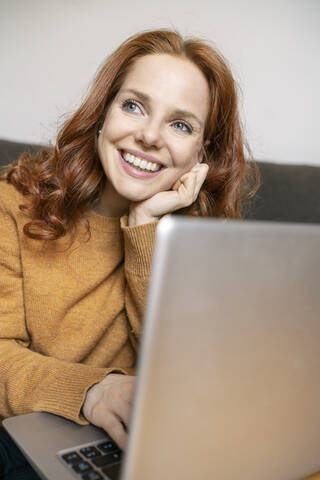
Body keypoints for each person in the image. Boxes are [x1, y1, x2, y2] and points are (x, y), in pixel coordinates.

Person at [0, 29, 258, 479]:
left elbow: (186, 375)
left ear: (203, 152)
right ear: (103, 114)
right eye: (134, 106)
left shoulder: (203, 240)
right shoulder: (11, 206)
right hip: (24, 439)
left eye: (181, 124)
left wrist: (144, 227)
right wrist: (92, 391)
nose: (150, 136)